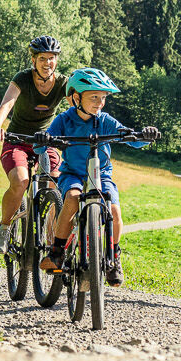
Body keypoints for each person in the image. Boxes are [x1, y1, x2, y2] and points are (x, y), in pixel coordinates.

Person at [41, 67, 151, 286]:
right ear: (76, 98)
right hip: (72, 173)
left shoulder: (105, 120)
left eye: (103, 98)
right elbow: (46, 139)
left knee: (114, 210)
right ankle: (57, 251)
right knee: (72, 198)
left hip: (101, 175)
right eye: (94, 97)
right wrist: (44, 139)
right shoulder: (64, 120)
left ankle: (113, 258)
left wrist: (144, 136)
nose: (100, 103)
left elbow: (130, 137)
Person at [0, 36, 67, 253]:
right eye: (42, 58)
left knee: (56, 182)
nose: (47, 63)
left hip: (46, 142)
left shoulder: (62, 83)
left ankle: (51, 238)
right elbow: (7, 103)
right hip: (17, 141)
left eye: (51, 58)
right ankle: (4, 227)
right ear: (33, 60)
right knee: (21, 181)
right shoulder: (23, 78)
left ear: (56, 60)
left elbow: (76, 106)